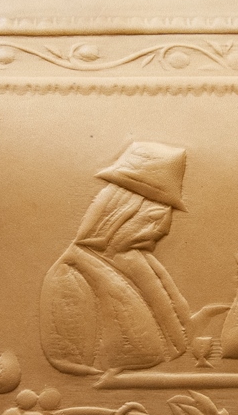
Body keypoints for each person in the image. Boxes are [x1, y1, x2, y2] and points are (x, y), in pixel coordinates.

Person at [41, 142, 191, 374]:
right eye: (154, 217)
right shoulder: (71, 275)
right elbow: (74, 366)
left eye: (167, 218)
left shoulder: (144, 266)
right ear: (116, 216)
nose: (164, 229)